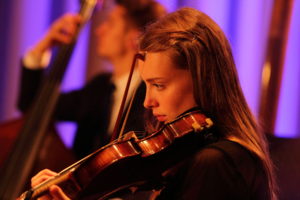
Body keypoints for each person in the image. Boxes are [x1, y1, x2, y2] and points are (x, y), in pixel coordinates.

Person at [27, 7, 277, 200]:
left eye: (159, 85)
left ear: (203, 80)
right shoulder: (188, 153)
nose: (147, 102)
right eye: (146, 85)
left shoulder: (217, 162)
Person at [17, 0, 166, 159]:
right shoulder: (99, 87)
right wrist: (42, 48)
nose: (99, 30)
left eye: (111, 23)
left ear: (135, 39)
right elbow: (33, 106)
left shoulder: (153, 96)